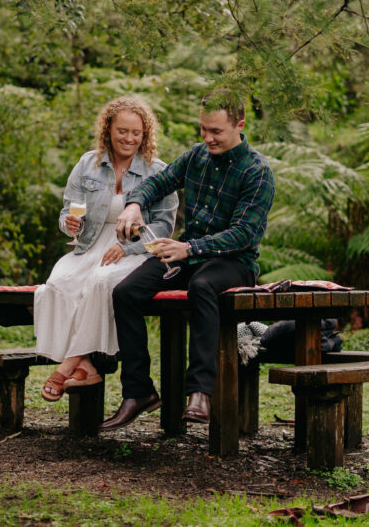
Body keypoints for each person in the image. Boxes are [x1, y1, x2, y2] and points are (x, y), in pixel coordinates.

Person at [99, 88, 275, 431]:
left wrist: (190, 248)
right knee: (126, 292)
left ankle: (200, 392)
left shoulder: (257, 171)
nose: (207, 138)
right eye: (203, 129)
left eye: (216, 132)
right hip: (188, 255)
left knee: (203, 286)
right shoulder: (196, 157)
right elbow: (158, 183)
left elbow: (245, 234)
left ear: (239, 124)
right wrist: (134, 204)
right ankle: (139, 392)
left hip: (234, 263)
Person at [34, 97, 178, 402]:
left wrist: (127, 250)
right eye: (122, 131)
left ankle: (67, 366)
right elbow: (66, 212)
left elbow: (165, 227)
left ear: (145, 134)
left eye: (136, 133)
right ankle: (84, 363)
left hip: (134, 250)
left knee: (101, 283)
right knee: (57, 284)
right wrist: (68, 225)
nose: (129, 138)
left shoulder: (158, 171)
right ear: (108, 131)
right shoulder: (88, 163)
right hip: (88, 245)